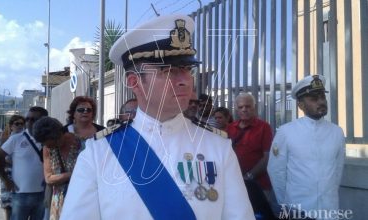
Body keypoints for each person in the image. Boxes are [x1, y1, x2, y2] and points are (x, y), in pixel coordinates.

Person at [61, 14, 254, 219]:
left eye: (187, 69)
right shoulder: (98, 154)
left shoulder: (218, 147)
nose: (184, 80)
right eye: (167, 70)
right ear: (135, 82)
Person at [267, 75, 345, 220]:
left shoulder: (337, 132)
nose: (321, 101)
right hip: (298, 209)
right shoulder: (286, 132)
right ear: (301, 105)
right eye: (314, 98)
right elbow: (276, 171)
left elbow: (338, 170)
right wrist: (286, 205)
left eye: (322, 97)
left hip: (329, 210)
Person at [0, 106, 48, 220]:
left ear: (43, 120)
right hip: (20, 195)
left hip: (43, 194)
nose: (28, 122)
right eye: (27, 119)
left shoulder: (49, 139)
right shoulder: (16, 139)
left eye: (33, 119)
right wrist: (6, 180)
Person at [33, 117, 81, 220]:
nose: (48, 147)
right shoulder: (47, 149)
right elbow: (49, 179)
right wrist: (72, 175)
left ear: (58, 135)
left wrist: (62, 177)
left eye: (51, 144)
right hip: (59, 201)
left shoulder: (80, 143)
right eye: (44, 144)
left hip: (81, 198)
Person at [0, 115, 26, 220]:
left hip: (21, 176)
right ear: (11, 126)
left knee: (21, 206)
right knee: (8, 205)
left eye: (22, 124)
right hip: (8, 174)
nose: (20, 126)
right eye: (17, 124)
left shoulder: (26, 139)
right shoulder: (5, 139)